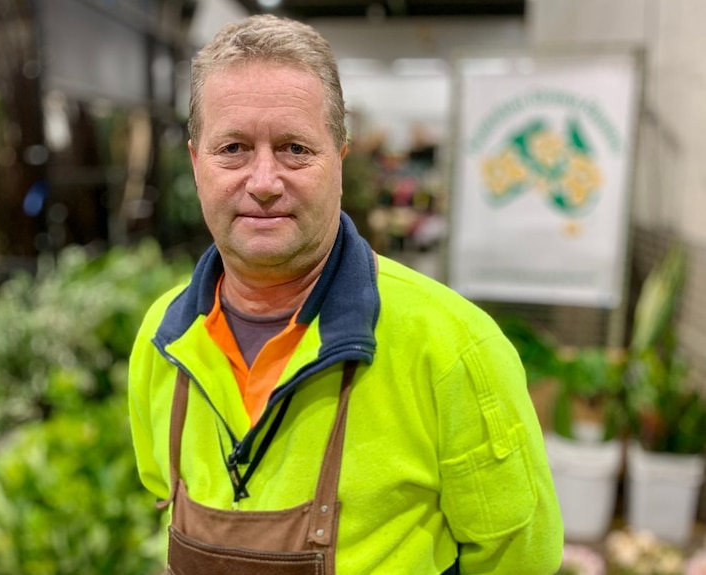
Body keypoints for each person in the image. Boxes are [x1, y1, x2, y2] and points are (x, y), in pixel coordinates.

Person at [128, 14, 563, 575]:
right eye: (233, 148)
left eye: (294, 149)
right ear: (195, 162)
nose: (262, 181)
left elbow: (522, 562)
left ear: (339, 158)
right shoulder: (163, 340)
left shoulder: (455, 349)